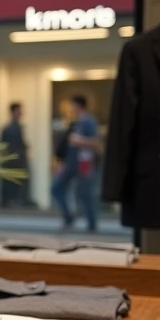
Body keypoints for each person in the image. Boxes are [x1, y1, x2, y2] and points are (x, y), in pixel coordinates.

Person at [51, 95, 100, 232]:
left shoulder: (89, 121)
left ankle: (92, 225)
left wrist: (79, 140)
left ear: (78, 105)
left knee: (86, 193)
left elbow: (95, 142)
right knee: (56, 188)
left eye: (72, 105)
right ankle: (68, 217)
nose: (71, 108)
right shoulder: (74, 122)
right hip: (70, 162)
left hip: (84, 162)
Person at [0, 102, 30, 207]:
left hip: (18, 159)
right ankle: (10, 201)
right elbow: (4, 146)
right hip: (13, 160)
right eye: (18, 111)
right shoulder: (9, 129)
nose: (21, 113)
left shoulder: (17, 127)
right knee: (11, 181)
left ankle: (19, 200)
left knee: (20, 181)